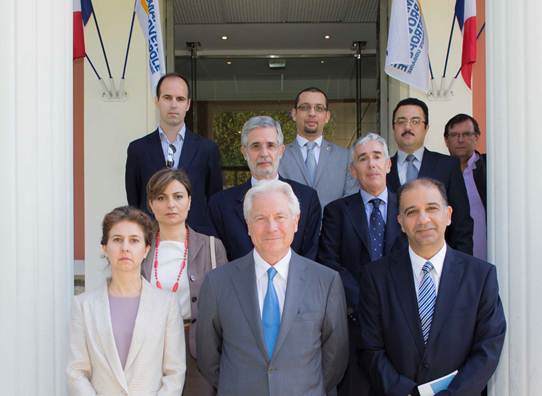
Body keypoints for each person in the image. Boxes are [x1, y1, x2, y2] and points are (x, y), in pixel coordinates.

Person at [197, 180, 349, 396]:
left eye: (280, 217)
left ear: (296, 222)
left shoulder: (326, 282)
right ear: (248, 225)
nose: (272, 227)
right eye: (260, 218)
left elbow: (335, 357)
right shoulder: (217, 282)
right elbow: (207, 355)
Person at [358, 178, 506, 396]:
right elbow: (370, 348)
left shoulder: (480, 276)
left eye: (431, 208)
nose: (423, 219)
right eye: (412, 212)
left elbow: (488, 348)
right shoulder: (376, 277)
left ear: (448, 214)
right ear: (400, 221)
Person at [318, 133, 406, 396]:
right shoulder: (336, 211)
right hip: (354, 321)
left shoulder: (409, 207)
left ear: (388, 164)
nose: (371, 164)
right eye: (363, 159)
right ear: (352, 170)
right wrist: (367, 299)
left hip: (402, 319)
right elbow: (329, 262)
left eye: (377, 156)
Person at [67, 206, 186, 395]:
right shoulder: (83, 306)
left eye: (134, 240)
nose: (125, 248)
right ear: (104, 247)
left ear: (147, 249)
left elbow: (174, 373)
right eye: (117, 240)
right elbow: (76, 371)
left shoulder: (167, 305)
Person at [142, 168, 228, 396]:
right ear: (151, 204)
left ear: (189, 201)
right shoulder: (140, 247)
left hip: (198, 349)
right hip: (149, 349)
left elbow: (225, 307)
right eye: (161, 197)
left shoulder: (212, 246)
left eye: (178, 196)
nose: (171, 204)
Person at [208, 115, 321, 261]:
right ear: (244, 152)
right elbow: (218, 260)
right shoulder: (220, 205)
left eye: (271, 145)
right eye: (256, 146)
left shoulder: (307, 199)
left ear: (281, 150)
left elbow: (310, 257)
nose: (264, 153)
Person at [125, 72, 223, 235]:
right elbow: (134, 200)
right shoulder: (138, 149)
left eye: (180, 99)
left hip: (195, 238)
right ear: (157, 101)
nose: (173, 104)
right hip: (151, 237)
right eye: (167, 98)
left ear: (188, 104)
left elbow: (213, 198)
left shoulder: (207, 149)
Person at [386, 97, 474, 255]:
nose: (407, 127)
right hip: (392, 266)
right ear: (393, 127)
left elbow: (462, 225)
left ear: (426, 128)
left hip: (438, 265)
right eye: (401, 121)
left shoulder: (447, 166)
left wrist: (460, 269)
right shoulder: (381, 170)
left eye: (415, 121)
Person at [279, 87, 357, 209]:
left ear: (327, 116)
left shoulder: (345, 157)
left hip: (333, 227)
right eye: (305, 107)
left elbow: (350, 201)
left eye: (319, 108)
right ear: (294, 114)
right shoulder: (279, 155)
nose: (312, 113)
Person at [444, 113, 487, 260]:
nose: (460, 140)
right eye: (454, 135)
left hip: (494, 257)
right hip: (455, 260)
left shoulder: (490, 168)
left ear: (476, 137)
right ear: (446, 140)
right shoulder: (438, 172)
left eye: (467, 134)